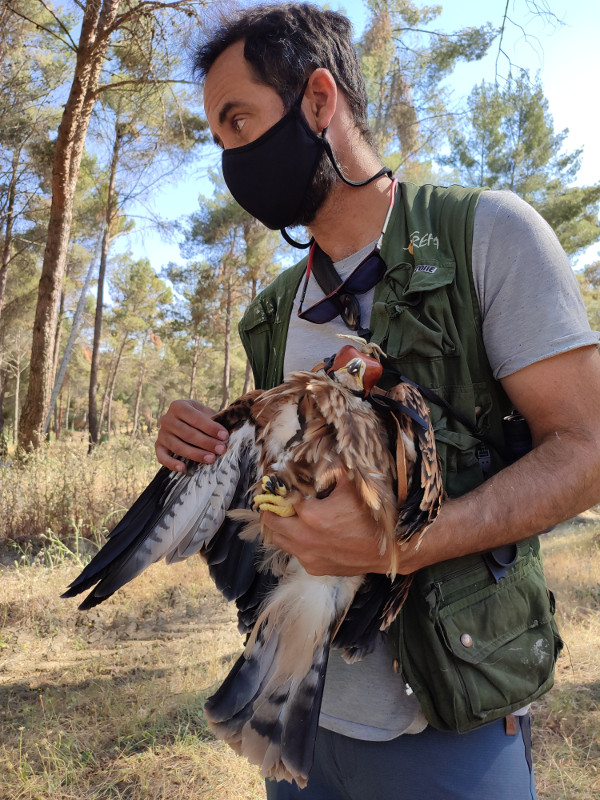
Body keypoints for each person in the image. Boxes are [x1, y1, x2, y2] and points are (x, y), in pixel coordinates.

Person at [155, 4, 600, 798]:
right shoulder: (272, 311)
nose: (230, 159)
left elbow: (587, 449)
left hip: (448, 724)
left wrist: (404, 543)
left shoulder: (487, 237)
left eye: (239, 122)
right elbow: (277, 498)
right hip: (299, 722)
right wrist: (206, 449)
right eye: (216, 141)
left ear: (318, 102)